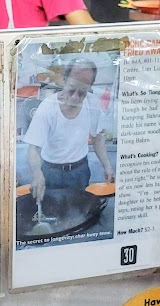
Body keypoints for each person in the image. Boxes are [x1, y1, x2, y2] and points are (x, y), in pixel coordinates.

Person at [24, 58, 115, 202]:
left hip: (80, 171)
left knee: (79, 214)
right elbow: (33, 148)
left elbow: (97, 138)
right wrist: (37, 173)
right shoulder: (48, 108)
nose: (75, 97)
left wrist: (107, 166)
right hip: (51, 172)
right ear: (64, 81)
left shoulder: (92, 104)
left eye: (82, 92)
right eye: (72, 89)